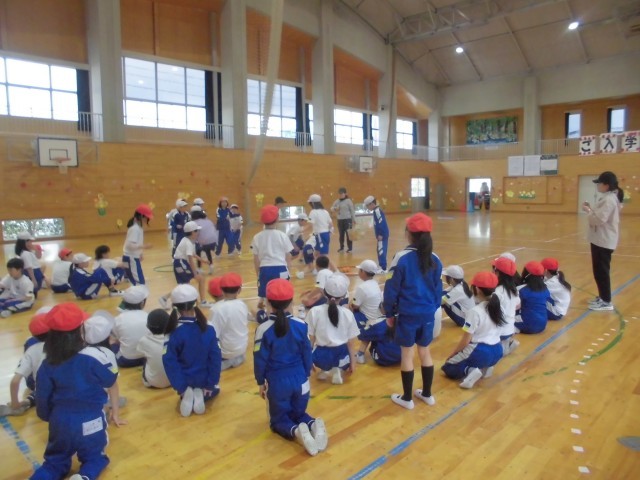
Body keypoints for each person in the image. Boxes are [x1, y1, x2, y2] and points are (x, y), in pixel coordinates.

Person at [31, 303, 125, 480]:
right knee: (95, 458)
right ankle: (84, 477)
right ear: (80, 331)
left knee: (54, 463)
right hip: (91, 420)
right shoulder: (92, 359)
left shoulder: (47, 365)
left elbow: (42, 398)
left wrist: (48, 416)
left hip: (60, 421)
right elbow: (110, 380)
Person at [253, 278, 327, 456]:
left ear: (268, 303)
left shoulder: (263, 329)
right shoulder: (301, 325)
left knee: (278, 420)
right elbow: (307, 351)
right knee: (298, 412)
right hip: (301, 379)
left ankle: (296, 431)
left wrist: (261, 382)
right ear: (291, 302)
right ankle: (312, 424)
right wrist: (307, 371)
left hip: (278, 382)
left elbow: (259, 359)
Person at [383, 212, 441, 410]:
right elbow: (437, 289)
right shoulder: (436, 259)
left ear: (408, 233)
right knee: (425, 351)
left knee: (407, 354)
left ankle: (407, 398)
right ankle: (427, 394)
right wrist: (431, 308)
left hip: (407, 314)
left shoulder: (401, 258)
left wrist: (389, 313)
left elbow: (391, 289)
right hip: (428, 313)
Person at [162, 285, 221, 417]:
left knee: (177, 368)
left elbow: (169, 363)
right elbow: (215, 358)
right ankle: (202, 392)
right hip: (205, 379)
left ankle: (187, 393)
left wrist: (181, 387)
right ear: (196, 303)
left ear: (174, 306)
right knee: (216, 389)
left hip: (184, 380)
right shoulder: (209, 327)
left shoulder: (172, 331)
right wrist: (211, 383)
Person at [441, 271, 504, 388]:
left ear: (477, 289)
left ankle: (470, 371)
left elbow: (466, 340)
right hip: (498, 350)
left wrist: (453, 353)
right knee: (471, 358)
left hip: (481, 351)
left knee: (448, 367)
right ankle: (486, 367)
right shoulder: (498, 306)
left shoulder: (475, 312)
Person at [307, 274, 359, 385]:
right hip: (342, 357)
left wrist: (308, 360)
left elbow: (311, 339)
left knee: (318, 351)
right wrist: (353, 362)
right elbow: (351, 343)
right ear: (344, 296)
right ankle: (337, 369)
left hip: (322, 357)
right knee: (342, 351)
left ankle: (325, 369)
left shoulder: (314, 311)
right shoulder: (348, 314)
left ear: (324, 293)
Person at [582, 171, 624, 311]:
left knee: (602, 272)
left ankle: (606, 301)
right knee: (598, 271)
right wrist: (591, 209)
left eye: (599, 183)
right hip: (600, 239)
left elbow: (599, 219)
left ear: (606, 185)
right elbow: (599, 215)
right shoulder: (608, 198)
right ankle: (603, 297)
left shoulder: (609, 200)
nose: (598, 186)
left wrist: (588, 211)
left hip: (604, 241)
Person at [2, 311, 50, 417]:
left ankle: (27, 402)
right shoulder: (63, 347)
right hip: (63, 393)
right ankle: (30, 401)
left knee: (41, 387)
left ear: (33, 335)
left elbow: (15, 381)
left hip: (41, 392)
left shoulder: (31, 349)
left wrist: (14, 403)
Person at [251, 205, 294, 310]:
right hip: (281, 269)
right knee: (286, 296)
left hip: (265, 270)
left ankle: (270, 317)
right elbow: (288, 256)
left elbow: (256, 259)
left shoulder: (257, 237)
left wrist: (258, 274)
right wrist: (289, 271)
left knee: (268, 299)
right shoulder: (282, 235)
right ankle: (289, 315)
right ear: (277, 219)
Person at [160, 221, 210, 309]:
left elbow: (193, 254)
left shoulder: (186, 240)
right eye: (196, 231)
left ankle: (164, 298)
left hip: (178, 263)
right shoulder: (188, 243)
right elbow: (190, 259)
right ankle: (203, 301)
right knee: (201, 279)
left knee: (183, 286)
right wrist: (195, 273)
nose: (198, 233)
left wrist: (202, 260)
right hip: (181, 263)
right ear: (192, 232)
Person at [208, 272, 251, 370]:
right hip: (241, 351)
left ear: (221, 290)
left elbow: (212, 335)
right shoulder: (242, 304)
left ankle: (225, 362)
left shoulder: (216, 309)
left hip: (225, 355)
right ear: (239, 290)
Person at [349, 259, 384, 364]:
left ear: (363, 272)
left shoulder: (362, 287)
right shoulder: (375, 283)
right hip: (380, 320)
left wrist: (350, 304)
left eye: (360, 270)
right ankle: (360, 353)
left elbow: (354, 306)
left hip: (370, 322)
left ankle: (345, 346)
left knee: (348, 310)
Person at [112, 285, 150, 368]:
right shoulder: (148, 316)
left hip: (126, 361)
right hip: (147, 357)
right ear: (142, 303)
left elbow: (117, 339)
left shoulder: (118, 319)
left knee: (112, 344)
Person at [491, 256, 520, 356]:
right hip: (510, 329)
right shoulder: (514, 290)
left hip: (500, 331)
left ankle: (502, 349)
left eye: (494, 269)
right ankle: (506, 344)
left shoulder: (498, 292)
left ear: (498, 273)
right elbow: (517, 305)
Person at [136, 309, 171, 389]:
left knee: (146, 357)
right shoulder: (175, 336)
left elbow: (139, 354)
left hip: (154, 382)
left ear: (148, 326)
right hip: (174, 380)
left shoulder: (144, 340)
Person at [514, 261, 551, 334]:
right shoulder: (545, 288)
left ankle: (514, 329)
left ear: (526, 274)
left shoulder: (521, 289)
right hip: (542, 324)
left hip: (528, 325)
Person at [123, 204, 153, 285]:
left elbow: (136, 242)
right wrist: (144, 246)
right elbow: (129, 245)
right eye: (146, 218)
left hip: (132, 258)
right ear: (141, 216)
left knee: (137, 282)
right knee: (139, 283)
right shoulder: (135, 229)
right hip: (131, 258)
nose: (147, 220)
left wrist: (140, 253)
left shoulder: (138, 228)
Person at [15, 231, 45, 296]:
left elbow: (38, 257)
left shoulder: (28, 251)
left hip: (36, 271)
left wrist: (36, 249)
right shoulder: (26, 253)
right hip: (33, 273)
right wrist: (33, 280)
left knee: (35, 288)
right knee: (33, 288)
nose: (31, 243)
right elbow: (29, 268)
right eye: (30, 242)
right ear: (24, 242)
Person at [364, 196, 390, 272]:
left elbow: (381, 223)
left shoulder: (377, 211)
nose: (367, 208)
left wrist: (381, 234)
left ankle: (383, 268)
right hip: (381, 235)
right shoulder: (376, 211)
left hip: (382, 235)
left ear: (371, 204)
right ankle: (381, 266)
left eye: (367, 206)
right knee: (379, 250)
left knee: (381, 250)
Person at [191, 206, 218, 275]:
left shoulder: (195, 222)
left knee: (198, 251)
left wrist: (192, 242)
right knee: (207, 251)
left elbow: (197, 233)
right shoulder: (208, 220)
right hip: (214, 241)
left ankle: (199, 268)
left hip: (205, 241)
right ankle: (211, 266)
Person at [307, 194, 334, 259]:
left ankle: (330, 266)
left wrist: (301, 230)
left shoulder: (313, 212)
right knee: (317, 252)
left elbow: (310, 224)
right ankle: (311, 263)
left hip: (320, 235)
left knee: (324, 256)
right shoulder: (325, 211)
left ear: (312, 203)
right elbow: (331, 225)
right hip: (325, 234)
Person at [331, 187, 356, 254]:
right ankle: (341, 248)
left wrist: (354, 219)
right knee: (341, 235)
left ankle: (350, 248)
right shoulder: (337, 201)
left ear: (345, 194)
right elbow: (332, 208)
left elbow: (352, 210)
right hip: (340, 220)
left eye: (342, 194)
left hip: (348, 220)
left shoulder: (348, 201)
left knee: (349, 234)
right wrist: (335, 208)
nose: (340, 195)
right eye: (339, 194)